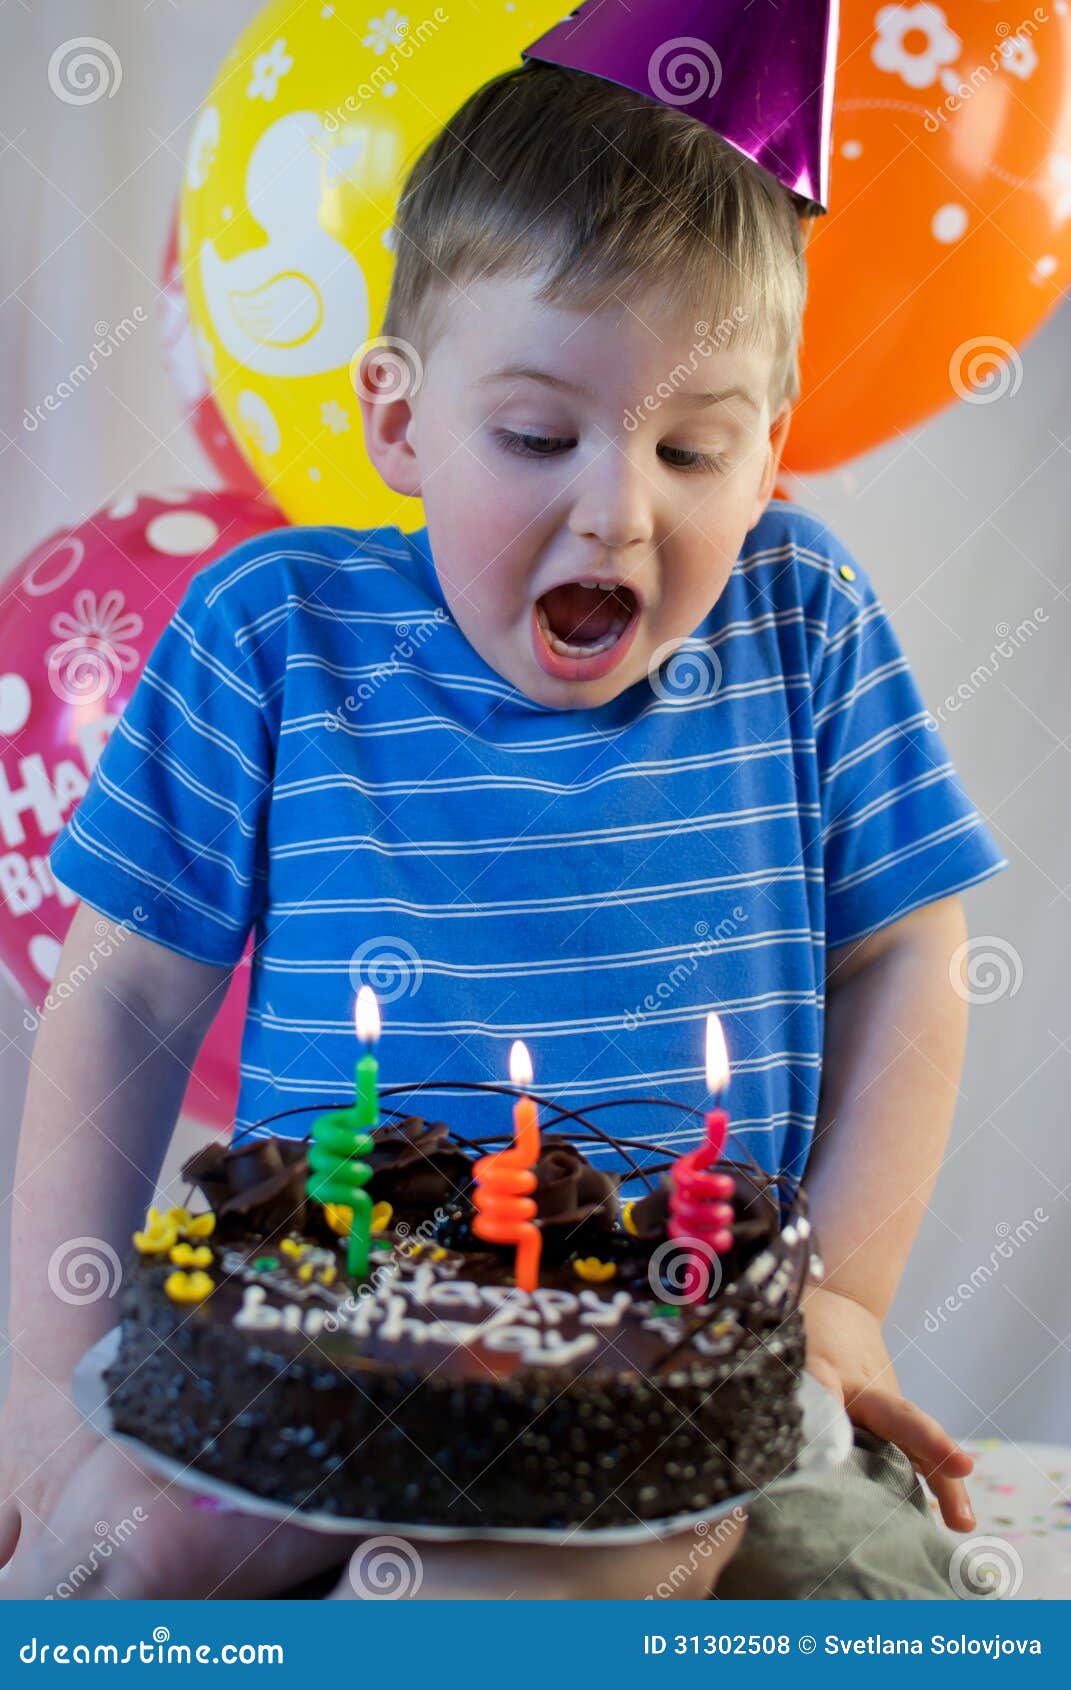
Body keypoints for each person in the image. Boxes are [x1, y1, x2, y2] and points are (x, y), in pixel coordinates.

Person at [1, 60, 1003, 1600]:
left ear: (770, 449)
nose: (618, 512)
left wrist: (847, 1294)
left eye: (691, 451)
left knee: (498, 1602)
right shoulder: (270, 634)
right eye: (539, 435)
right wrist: (39, 1382)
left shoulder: (804, 622)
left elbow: (908, 956)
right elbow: (124, 991)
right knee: (117, 1548)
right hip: (318, 1343)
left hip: (662, 1376)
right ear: (400, 417)